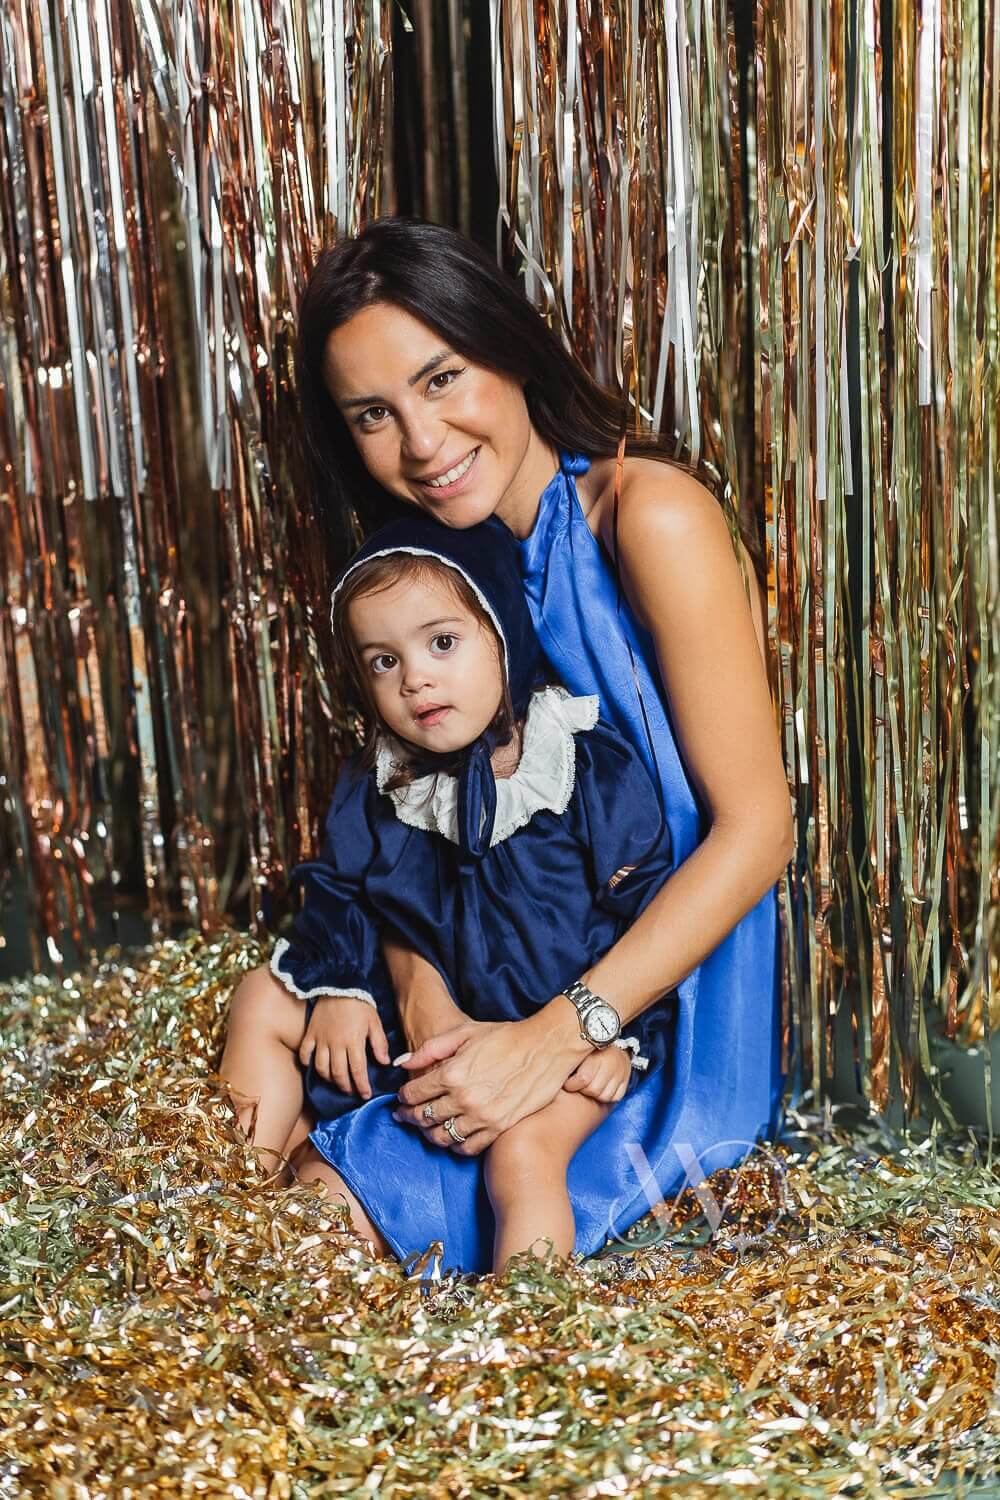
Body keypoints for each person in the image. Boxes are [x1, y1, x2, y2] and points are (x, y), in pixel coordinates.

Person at [219, 216, 793, 1270]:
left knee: (347, 1219)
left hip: (644, 1011)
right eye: (373, 415)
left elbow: (758, 831)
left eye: (442, 380)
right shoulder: (423, 576)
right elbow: (406, 823)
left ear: (510, 346)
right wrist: (419, 984)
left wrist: (555, 1035)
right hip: (475, 968)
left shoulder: (647, 515)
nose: (422, 443)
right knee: (296, 1172)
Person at [232, 512, 679, 1274]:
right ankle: (228, 1196)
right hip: (433, 1021)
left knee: (523, 1155)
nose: (414, 679)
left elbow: (647, 910)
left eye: (442, 643)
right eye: (382, 661)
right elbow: (345, 890)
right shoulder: (384, 782)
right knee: (260, 997)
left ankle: (528, 1313)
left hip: (554, 1035)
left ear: (504, 633)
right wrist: (343, 985)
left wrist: (619, 1035)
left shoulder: (580, 768)